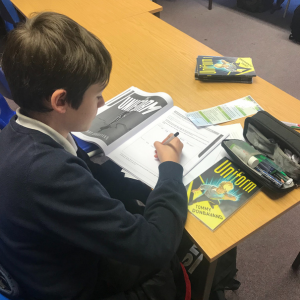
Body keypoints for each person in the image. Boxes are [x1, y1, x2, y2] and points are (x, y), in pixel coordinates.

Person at [0, 12, 188, 300]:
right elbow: (155, 246)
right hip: (71, 286)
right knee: (165, 270)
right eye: (97, 94)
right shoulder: (48, 172)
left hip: (45, 262)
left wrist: (138, 189)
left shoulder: (29, 128)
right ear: (60, 101)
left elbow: (89, 169)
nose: (102, 102)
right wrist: (171, 169)